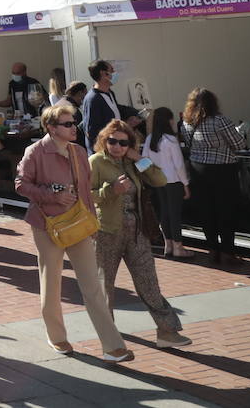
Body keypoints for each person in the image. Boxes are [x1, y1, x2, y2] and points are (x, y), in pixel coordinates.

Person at [16, 103, 134, 362]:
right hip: (48, 226)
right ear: (51, 128)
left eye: (74, 123)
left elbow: (86, 191)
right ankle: (57, 337)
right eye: (68, 124)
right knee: (52, 282)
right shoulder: (35, 152)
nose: (74, 128)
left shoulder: (79, 152)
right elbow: (21, 184)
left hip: (79, 224)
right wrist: (51, 196)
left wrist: (92, 223)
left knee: (92, 285)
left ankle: (112, 345)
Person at [89, 119, 190, 349]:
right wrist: (110, 190)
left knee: (148, 282)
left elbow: (160, 180)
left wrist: (140, 159)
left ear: (130, 145)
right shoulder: (95, 162)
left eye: (123, 143)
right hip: (107, 230)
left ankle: (167, 331)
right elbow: (86, 195)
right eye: (112, 141)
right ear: (104, 141)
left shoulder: (133, 162)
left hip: (137, 230)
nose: (117, 146)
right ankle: (109, 338)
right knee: (105, 286)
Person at [180, 88, 244, 264]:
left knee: (206, 210)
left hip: (197, 168)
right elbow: (239, 143)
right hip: (223, 169)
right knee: (226, 210)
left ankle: (212, 250)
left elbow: (188, 143)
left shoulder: (187, 122)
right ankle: (228, 253)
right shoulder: (219, 120)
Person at [146, 107, 193, 259]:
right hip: (173, 180)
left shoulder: (150, 139)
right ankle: (178, 246)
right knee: (175, 214)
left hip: (157, 180)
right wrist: (185, 184)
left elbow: (143, 160)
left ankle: (169, 245)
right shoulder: (171, 140)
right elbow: (179, 164)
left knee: (164, 212)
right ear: (169, 120)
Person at [82, 59, 138, 149]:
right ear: (104, 74)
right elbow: (91, 131)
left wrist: (132, 117)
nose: (115, 73)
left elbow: (115, 111)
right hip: (103, 152)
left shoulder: (110, 93)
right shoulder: (93, 99)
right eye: (112, 70)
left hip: (115, 147)